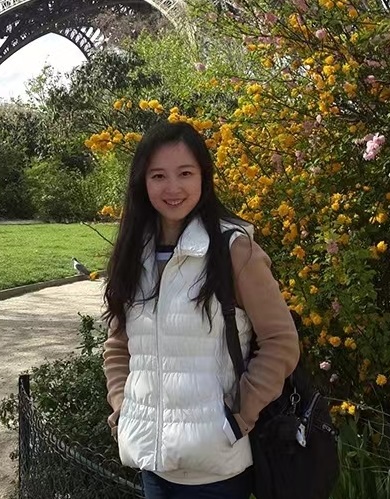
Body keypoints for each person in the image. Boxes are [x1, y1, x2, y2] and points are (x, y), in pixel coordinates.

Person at [103, 121, 300, 499]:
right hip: (152, 464)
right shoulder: (135, 252)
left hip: (216, 470)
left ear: (203, 177)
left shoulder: (234, 250)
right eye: (158, 176)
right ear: (142, 181)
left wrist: (238, 416)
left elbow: (281, 341)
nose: (172, 188)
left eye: (185, 173)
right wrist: (122, 407)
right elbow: (117, 344)